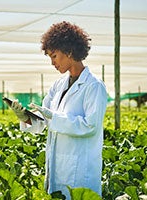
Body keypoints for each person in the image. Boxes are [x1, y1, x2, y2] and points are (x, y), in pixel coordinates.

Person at [10, 21, 108, 199]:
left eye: (54, 56)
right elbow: (43, 122)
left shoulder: (94, 86)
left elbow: (90, 126)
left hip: (80, 170)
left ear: (69, 52)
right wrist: (25, 117)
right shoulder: (58, 85)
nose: (52, 63)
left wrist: (54, 118)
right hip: (58, 166)